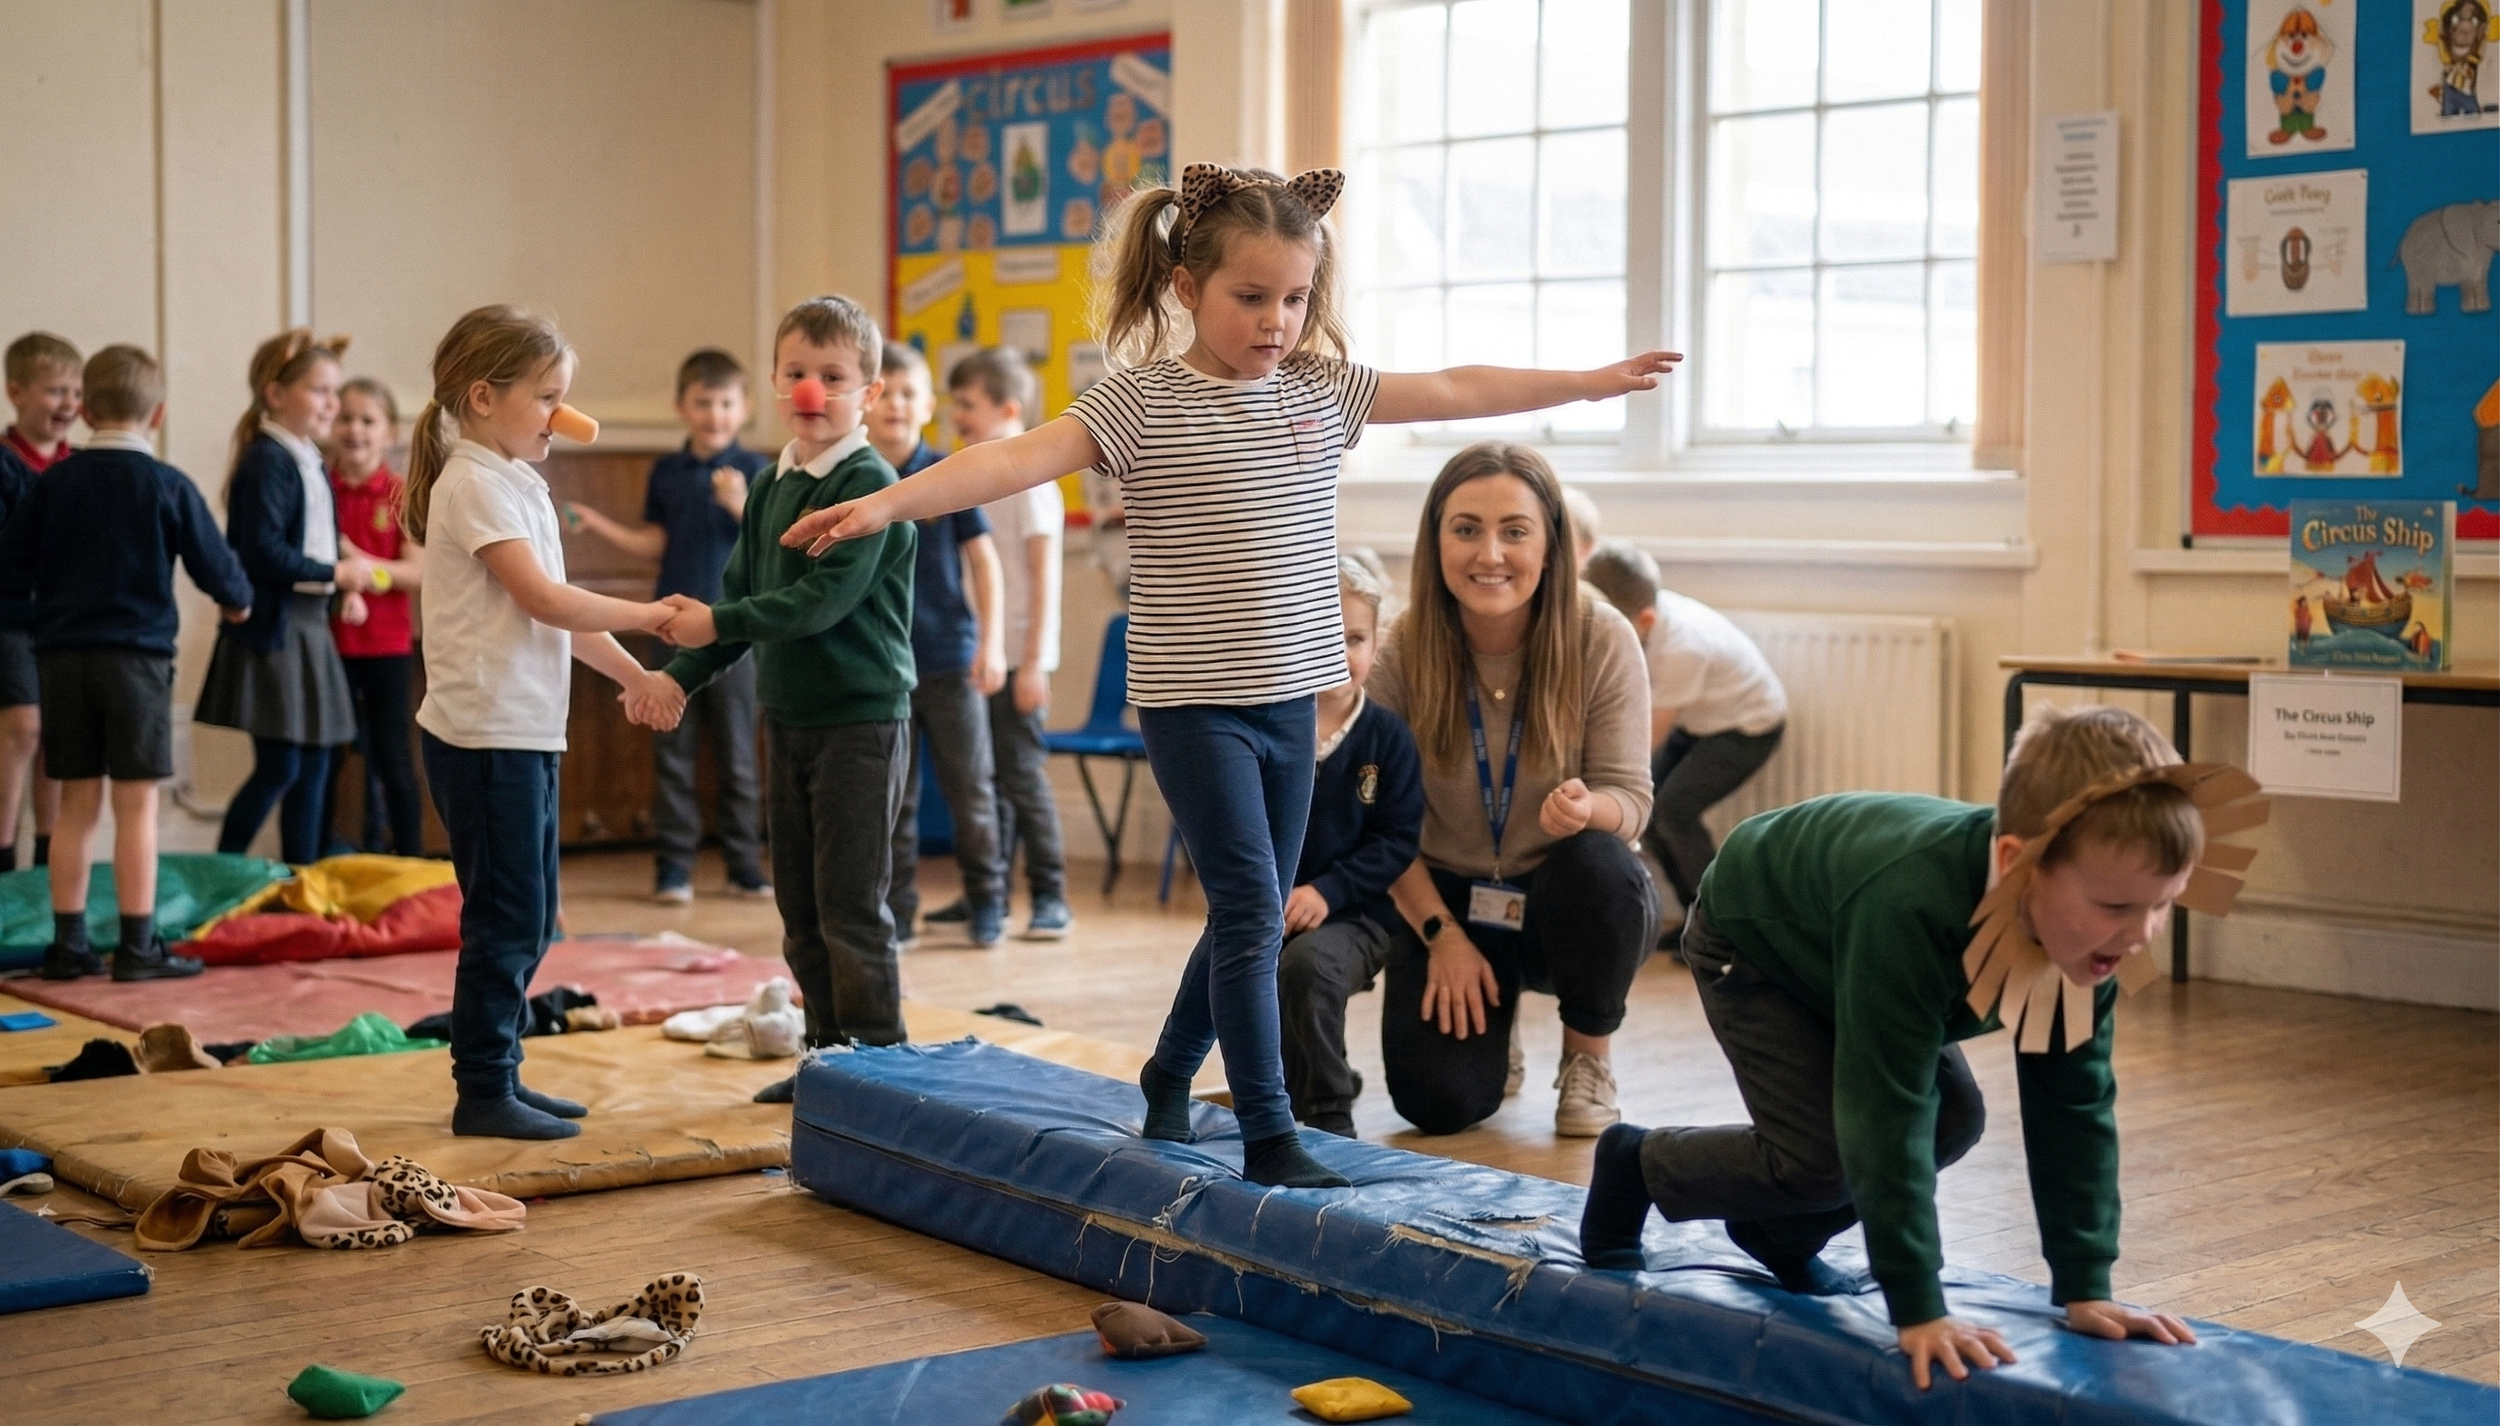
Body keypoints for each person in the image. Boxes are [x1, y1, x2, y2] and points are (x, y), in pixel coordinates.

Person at [781, 162, 1680, 1187]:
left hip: (1289, 701)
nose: (1275, 322)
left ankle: (1170, 1077)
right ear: (1184, 288)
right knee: (1255, 908)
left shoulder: (1317, 393)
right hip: (1193, 706)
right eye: (1250, 298)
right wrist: (886, 504)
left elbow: (1456, 388)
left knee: (1241, 913)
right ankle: (1267, 1132)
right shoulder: (1142, 403)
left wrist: (1587, 383)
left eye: (1294, 299)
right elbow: (1015, 458)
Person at [1577, 705, 2210, 1391]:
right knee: (1824, 1153)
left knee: (1955, 1118)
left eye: (2163, 904)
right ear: (2015, 863)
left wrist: (2086, 1287)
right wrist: (1918, 1307)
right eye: (2119, 907)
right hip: (1758, 936)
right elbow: (1885, 1111)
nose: (2143, 933)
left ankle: (1775, 1236)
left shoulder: (2093, 946)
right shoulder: (1914, 907)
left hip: (1846, 942)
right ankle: (1636, 1163)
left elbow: (2074, 1110)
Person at [403, 305, 684, 1139]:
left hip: (522, 732)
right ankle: (483, 1088)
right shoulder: (475, 484)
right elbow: (543, 598)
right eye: (548, 397)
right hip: (485, 737)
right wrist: (652, 615)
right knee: (505, 917)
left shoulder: (514, 477)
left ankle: (505, 1073)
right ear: (484, 397)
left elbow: (557, 616)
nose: (563, 416)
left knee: (532, 912)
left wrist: (637, 676)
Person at [653, 296, 920, 1106]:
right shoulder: (771, 484)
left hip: (861, 723)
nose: (813, 389)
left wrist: (718, 621)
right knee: (799, 910)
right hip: (792, 721)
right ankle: (826, 1058)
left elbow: (815, 604)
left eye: (833, 377)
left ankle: (879, 1073)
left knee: (851, 907)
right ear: (775, 382)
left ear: (867, 394)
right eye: (797, 373)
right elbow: (739, 597)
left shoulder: (869, 485)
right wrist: (677, 676)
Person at [1364, 444, 1660, 1139]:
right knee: (1437, 1106)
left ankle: (1588, 1057)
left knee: (1603, 866)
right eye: (1466, 529)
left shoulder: (1602, 636)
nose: (1489, 552)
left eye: (1515, 531)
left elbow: (1633, 801)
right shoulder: (1402, 647)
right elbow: (1375, 824)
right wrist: (1440, 935)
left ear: (1552, 543)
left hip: (1562, 895)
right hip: (1452, 905)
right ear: (1435, 540)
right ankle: (1495, 1035)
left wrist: (1592, 810)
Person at [0, 345, 252, 981]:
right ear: (159, 413)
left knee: (75, 804)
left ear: (84, 409)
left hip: (58, 660)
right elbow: (220, 570)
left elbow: (8, 565)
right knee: (136, 806)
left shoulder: (53, 482)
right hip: (135, 664)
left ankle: (68, 945)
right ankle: (139, 947)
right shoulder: (166, 484)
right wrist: (237, 606)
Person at [568, 348, 772, 904]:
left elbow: (772, 545)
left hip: (734, 631)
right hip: (672, 627)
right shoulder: (668, 471)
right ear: (682, 407)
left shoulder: (757, 472)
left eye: (726, 403)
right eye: (703, 403)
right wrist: (599, 526)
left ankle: (744, 867)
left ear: (745, 406)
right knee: (672, 750)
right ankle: (674, 870)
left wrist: (741, 505)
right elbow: (653, 542)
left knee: (737, 754)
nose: (715, 414)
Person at [196, 330, 372, 865]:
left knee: (317, 765)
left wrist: (341, 589)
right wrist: (336, 575)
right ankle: (221, 872)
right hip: (278, 629)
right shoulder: (267, 459)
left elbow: (314, 536)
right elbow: (262, 552)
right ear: (275, 395)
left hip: (310, 624)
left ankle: (303, 875)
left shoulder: (309, 460)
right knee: (281, 766)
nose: (332, 404)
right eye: (319, 391)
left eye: (334, 392)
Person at [924, 345, 1072, 941]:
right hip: (981, 653)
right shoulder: (977, 476)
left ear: (1008, 409)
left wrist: (1032, 663)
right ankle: (988, 894)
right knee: (983, 780)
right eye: (954, 403)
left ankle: (1051, 896)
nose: (956, 415)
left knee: (1023, 778)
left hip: (1019, 661)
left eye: (968, 404)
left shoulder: (1034, 485)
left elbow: (1043, 582)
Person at [1275, 552, 1422, 1137]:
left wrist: (1328, 892)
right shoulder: (1269, 726)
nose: (1338, 651)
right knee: (1245, 970)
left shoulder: (1387, 739)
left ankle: (1330, 1109)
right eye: (1321, 633)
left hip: (1360, 915)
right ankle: (1282, 1091)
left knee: (1308, 968)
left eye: (1354, 637)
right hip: (1272, 907)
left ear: (1375, 643)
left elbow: (1397, 841)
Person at [867, 342, 1008, 949]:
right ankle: (898, 914)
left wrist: (992, 644)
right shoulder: (857, 477)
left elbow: (985, 564)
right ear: (866, 403)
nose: (896, 404)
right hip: (883, 668)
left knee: (970, 790)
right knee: (895, 801)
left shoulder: (950, 473)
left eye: (909, 393)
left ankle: (988, 904)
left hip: (952, 661)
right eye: (885, 392)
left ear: (928, 406)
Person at [1580, 540, 1786, 933]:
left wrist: (1600, 785)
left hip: (1747, 726)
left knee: (1671, 813)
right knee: (1650, 812)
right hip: (1698, 720)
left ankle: (1721, 925)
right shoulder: (1643, 613)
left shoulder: (1682, 647)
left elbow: (1644, 741)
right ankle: (1694, 920)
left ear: (1645, 620)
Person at [322, 377, 425, 856]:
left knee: (393, 760)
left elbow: (415, 571)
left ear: (390, 432)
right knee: (324, 760)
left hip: (386, 648)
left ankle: (408, 862)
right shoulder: (318, 487)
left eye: (368, 420)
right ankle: (317, 858)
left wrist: (366, 569)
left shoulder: (402, 493)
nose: (355, 430)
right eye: (345, 418)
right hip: (326, 647)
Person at [0, 331, 82, 870]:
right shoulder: (6, 465)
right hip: (11, 619)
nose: (68, 404)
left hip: (64, 624)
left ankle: (47, 863)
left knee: (58, 740)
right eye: (55, 391)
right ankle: (4, 858)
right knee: (23, 730)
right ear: (17, 393)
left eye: (75, 391)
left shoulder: (80, 468)